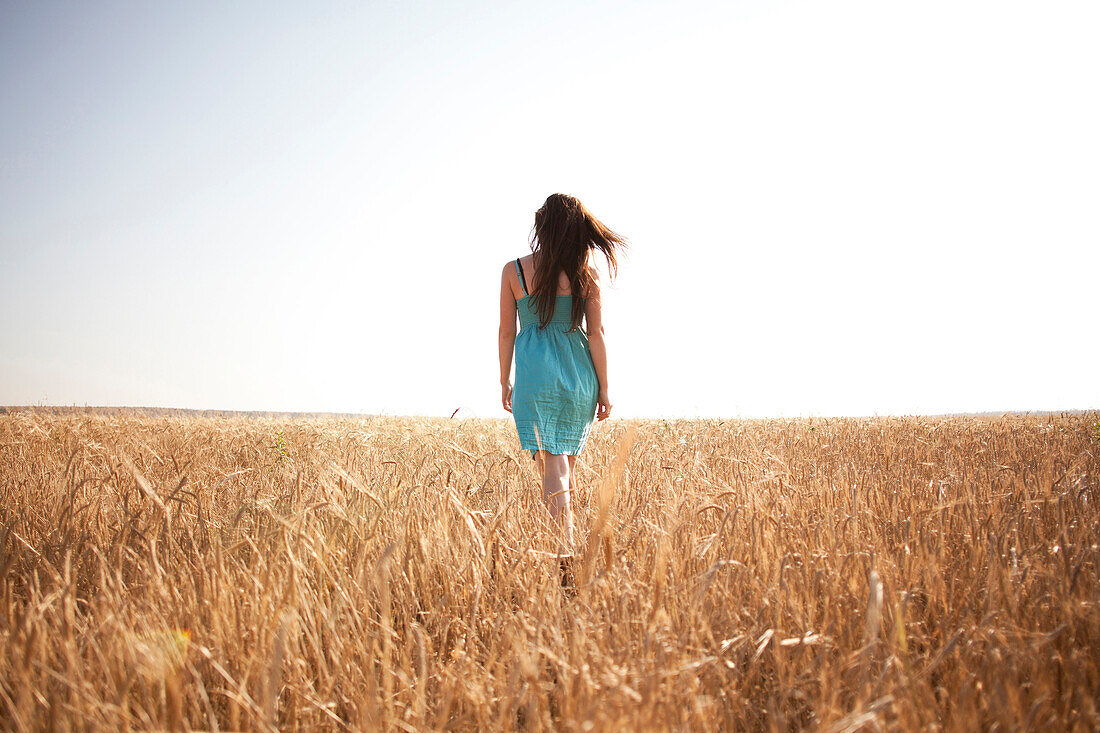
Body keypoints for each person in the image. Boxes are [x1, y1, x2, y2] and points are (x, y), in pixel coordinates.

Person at [498, 193, 626, 577]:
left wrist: (504, 380)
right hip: (578, 380)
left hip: (535, 380)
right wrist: (604, 388)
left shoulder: (513, 271)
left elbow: (507, 332)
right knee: (560, 470)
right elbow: (597, 334)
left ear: (543, 227)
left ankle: (565, 562)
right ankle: (565, 550)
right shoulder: (584, 273)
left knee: (553, 472)